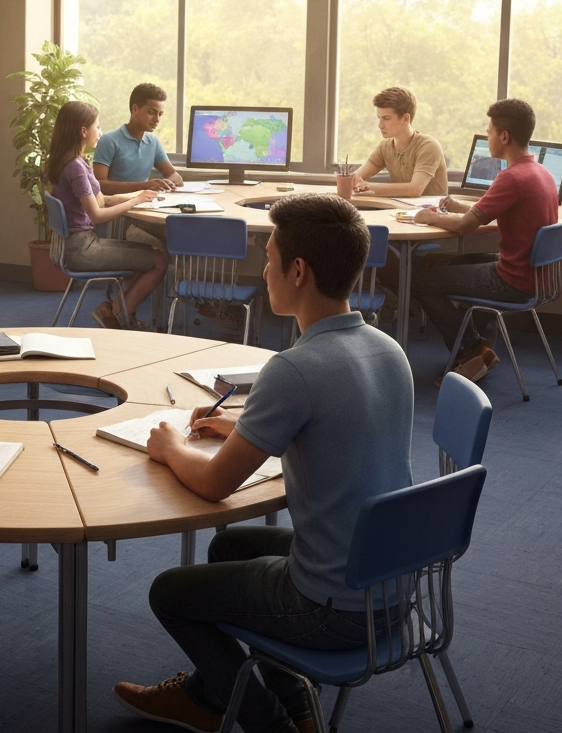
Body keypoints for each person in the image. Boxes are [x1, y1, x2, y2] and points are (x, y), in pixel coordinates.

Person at [113, 195, 414, 733]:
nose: (263, 270)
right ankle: (243, 699)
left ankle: (267, 720)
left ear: (298, 271)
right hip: (391, 582)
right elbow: (332, 430)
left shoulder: (294, 370)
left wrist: (168, 445)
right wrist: (241, 428)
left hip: (332, 605)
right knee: (230, 547)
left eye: (269, 257)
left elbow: (212, 485)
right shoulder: (389, 350)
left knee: (170, 593)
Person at [411, 98, 558, 383]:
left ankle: (472, 351)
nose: (487, 136)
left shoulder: (512, 177)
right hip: (535, 277)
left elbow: (466, 227)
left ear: (504, 136)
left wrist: (430, 217)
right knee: (446, 264)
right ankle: (480, 349)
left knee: (419, 280)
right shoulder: (540, 172)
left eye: (489, 131)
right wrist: (456, 207)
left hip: (510, 281)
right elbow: (485, 211)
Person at [48, 100, 169, 329]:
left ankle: (113, 312)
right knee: (160, 260)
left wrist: (140, 194)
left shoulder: (73, 162)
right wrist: (134, 200)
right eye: (97, 126)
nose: (100, 132)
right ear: (83, 131)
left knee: (145, 256)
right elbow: (97, 215)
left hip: (76, 245)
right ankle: (117, 314)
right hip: (82, 249)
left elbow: (101, 200)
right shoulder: (75, 167)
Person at [351, 85, 448, 198]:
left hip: (431, 211)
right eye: (379, 118)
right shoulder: (385, 146)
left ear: (405, 119)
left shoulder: (429, 146)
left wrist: (366, 186)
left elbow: (415, 189)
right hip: (401, 210)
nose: (380, 125)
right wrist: (353, 181)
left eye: (386, 118)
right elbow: (355, 178)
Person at [93, 82, 183, 195]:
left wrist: (164, 184)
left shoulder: (153, 142)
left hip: (145, 205)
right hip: (116, 208)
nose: (157, 119)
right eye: (151, 112)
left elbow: (175, 177)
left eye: (160, 114)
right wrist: (144, 186)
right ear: (135, 109)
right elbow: (99, 185)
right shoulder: (109, 141)